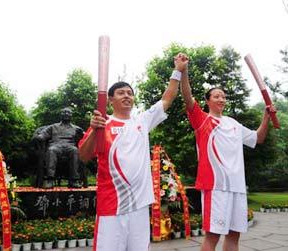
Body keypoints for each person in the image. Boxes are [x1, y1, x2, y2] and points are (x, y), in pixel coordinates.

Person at [78, 56, 187, 251]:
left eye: (130, 93)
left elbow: (167, 98)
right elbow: (84, 156)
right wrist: (94, 130)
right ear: (111, 99)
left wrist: (177, 70)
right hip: (112, 206)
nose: (126, 96)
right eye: (121, 93)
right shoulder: (102, 124)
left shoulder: (142, 122)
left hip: (139, 205)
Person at [177, 52, 274, 251]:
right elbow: (187, 97)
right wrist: (183, 71)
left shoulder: (234, 124)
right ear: (207, 101)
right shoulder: (202, 120)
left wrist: (266, 117)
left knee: (234, 236)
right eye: (216, 96)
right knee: (212, 236)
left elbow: (258, 138)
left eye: (223, 96)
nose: (221, 99)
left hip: (237, 186)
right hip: (216, 186)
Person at [34, 107, 83, 188]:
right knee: (51, 150)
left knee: (75, 151)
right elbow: (42, 136)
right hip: (56, 146)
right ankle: (50, 179)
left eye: (68, 112)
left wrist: (82, 134)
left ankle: (74, 180)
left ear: (71, 115)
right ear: (60, 115)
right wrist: (38, 137)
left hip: (70, 146)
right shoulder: (53, 127)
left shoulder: (76, 128)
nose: (66, 114)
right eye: (64, 112)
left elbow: (86, 137)